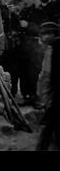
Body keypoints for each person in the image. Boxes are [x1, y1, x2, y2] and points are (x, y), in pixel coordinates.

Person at [36, 22, 60, 150]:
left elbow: (50, 75)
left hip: (56, 92)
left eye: (46, 34)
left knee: (49, 123)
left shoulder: (55, 49)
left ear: (53, 34)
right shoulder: (50, 48)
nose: (43, 38)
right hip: (53, 92)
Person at [18, 0, 44, 108]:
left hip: (34, 46)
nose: (27, 1)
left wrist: (28, 25)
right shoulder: (22, 12)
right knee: (24, 72)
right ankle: (26, 97)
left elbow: (41, 29)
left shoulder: (39, 12)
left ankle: (35, 98)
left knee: (34, 73)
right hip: (23, 46)